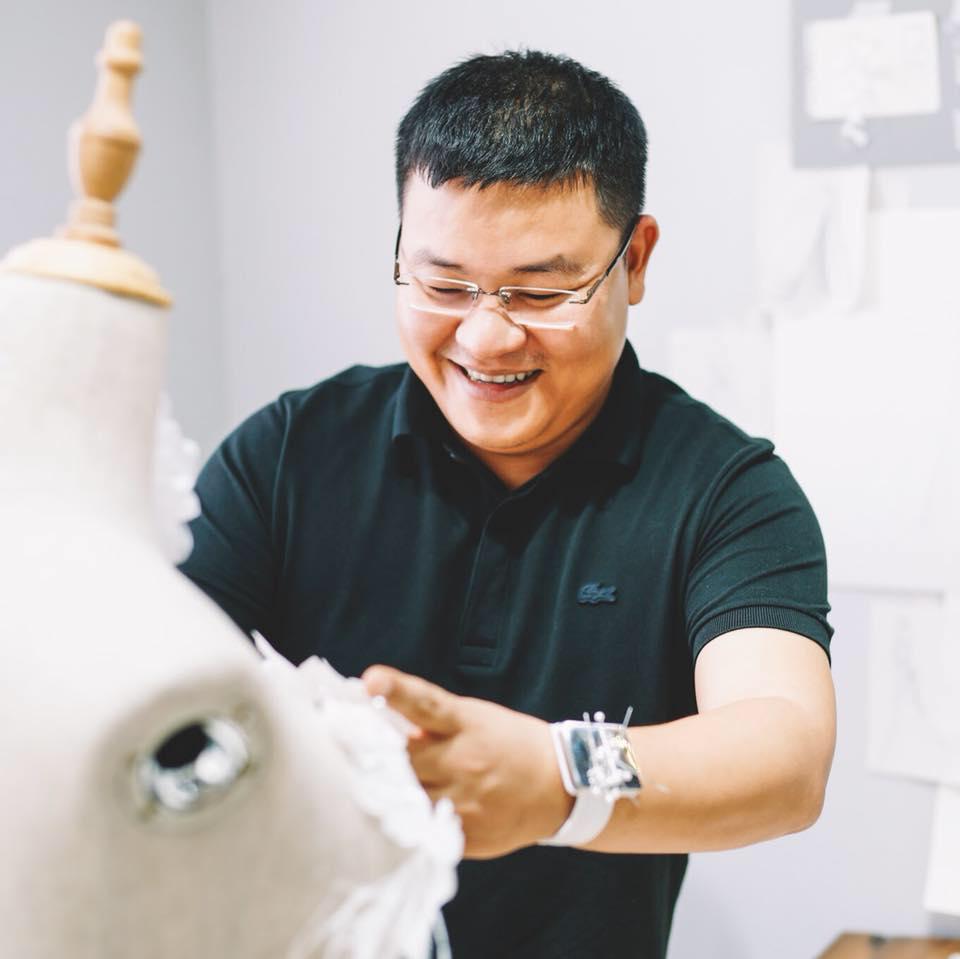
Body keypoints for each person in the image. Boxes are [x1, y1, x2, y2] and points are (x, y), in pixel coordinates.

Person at [179, 50, 835, 959]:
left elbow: (785, 753)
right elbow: (145, 703)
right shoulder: (288, 453)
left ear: (635, 260)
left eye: (540, 290)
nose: (486, 337)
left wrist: (559, 774)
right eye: (443, 285)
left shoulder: (724, 491)